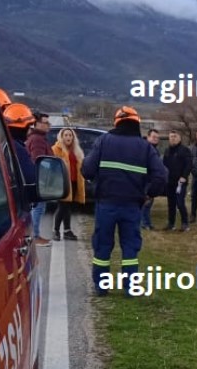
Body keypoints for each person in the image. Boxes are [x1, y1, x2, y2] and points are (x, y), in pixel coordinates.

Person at [82, 106, 167, 296]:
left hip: (106, 204)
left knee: (103, 246)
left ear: (116, 122)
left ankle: (101, 287)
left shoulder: (104, 141)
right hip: (132, 206)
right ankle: (129, 288)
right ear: (137, 123)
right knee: (130, 248)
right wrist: (149, 194)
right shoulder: (145, 147)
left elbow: (87, 170)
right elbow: (161, 176)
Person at [26, 111, 54, 246]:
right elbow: (38, 160)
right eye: (45, 122)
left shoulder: (39, 138)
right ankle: (35, 236)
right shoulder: (37, 139)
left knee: (39, 208)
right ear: (36, 124)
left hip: (40, 179)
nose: (48, 125)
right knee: (38, 208)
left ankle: (34, 234)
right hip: (40, 179)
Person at [52, 128, 85, 241]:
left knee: (68, 207)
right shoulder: (56, 149)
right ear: (61, 137)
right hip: (63, 182)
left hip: (74, 181)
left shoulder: (77, 150)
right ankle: (55, 230)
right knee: (62, 206)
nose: (68, 137)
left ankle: (67, 230)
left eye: (70, 135)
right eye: (65, 135)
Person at [3, 103, 37, 203]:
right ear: (23, 128)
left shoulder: (3, 144)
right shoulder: (17, 149)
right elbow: (30, 180)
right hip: (18, 204)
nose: (30, 131)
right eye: (29, 127)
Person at [162, 130, 192, 231]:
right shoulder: (167, 150)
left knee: (180, 203)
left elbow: (189, 164)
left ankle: (185, 223)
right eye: (171, 137)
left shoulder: (184, 150)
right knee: (171, 203)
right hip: (169, 181)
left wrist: (184, 176)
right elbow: (164, 165)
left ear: (179, 138)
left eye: (175, 136)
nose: (172, 138)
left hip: (180, 182)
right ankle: (171, 223)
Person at [140, 129, 161, 230]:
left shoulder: (154, 149)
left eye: (157, 138)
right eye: (153, 137)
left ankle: (147, 222)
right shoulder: (145, 148)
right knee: (146, 201)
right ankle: (144, 223)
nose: (155, 139)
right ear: (148, 137)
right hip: (144, 178)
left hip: (151, 179)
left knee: (149, 201)